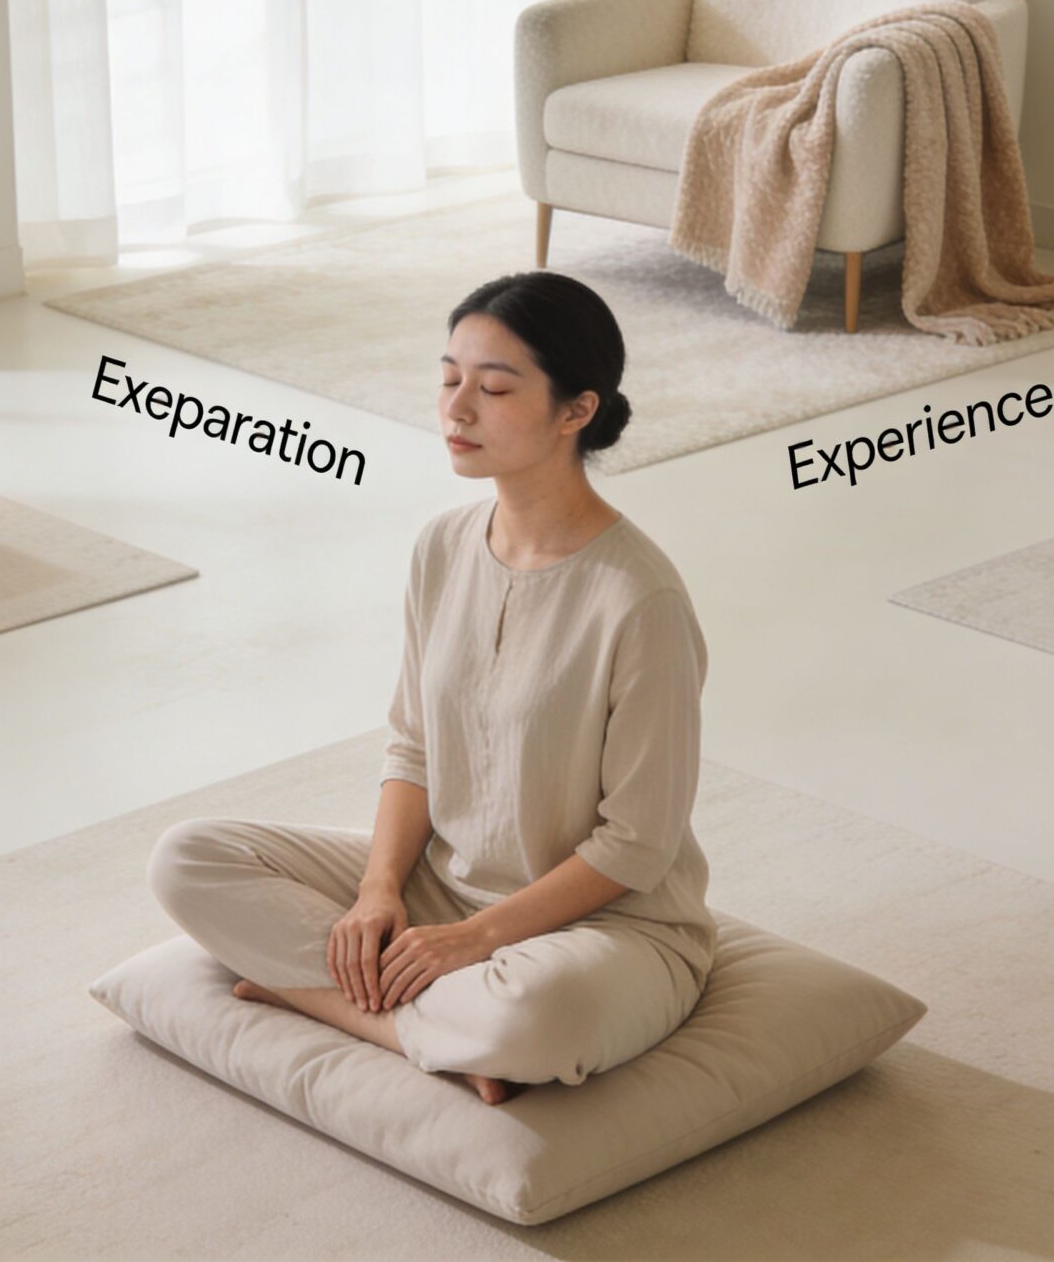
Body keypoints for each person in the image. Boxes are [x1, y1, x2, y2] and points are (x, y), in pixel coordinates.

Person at [149, 270, 715, 1105]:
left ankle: (332, 1003)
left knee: (533, 1016)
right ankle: (429, 1024)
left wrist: (474, 940)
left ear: (577, 410)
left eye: (492, 388)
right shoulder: (442, 546)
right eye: (449, 378)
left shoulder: (641, 601)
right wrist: (379, 892)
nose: (455, 410)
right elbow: (413, 745)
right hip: (437, 888)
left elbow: (635, 845)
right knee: (188, 859)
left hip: (604, 929)